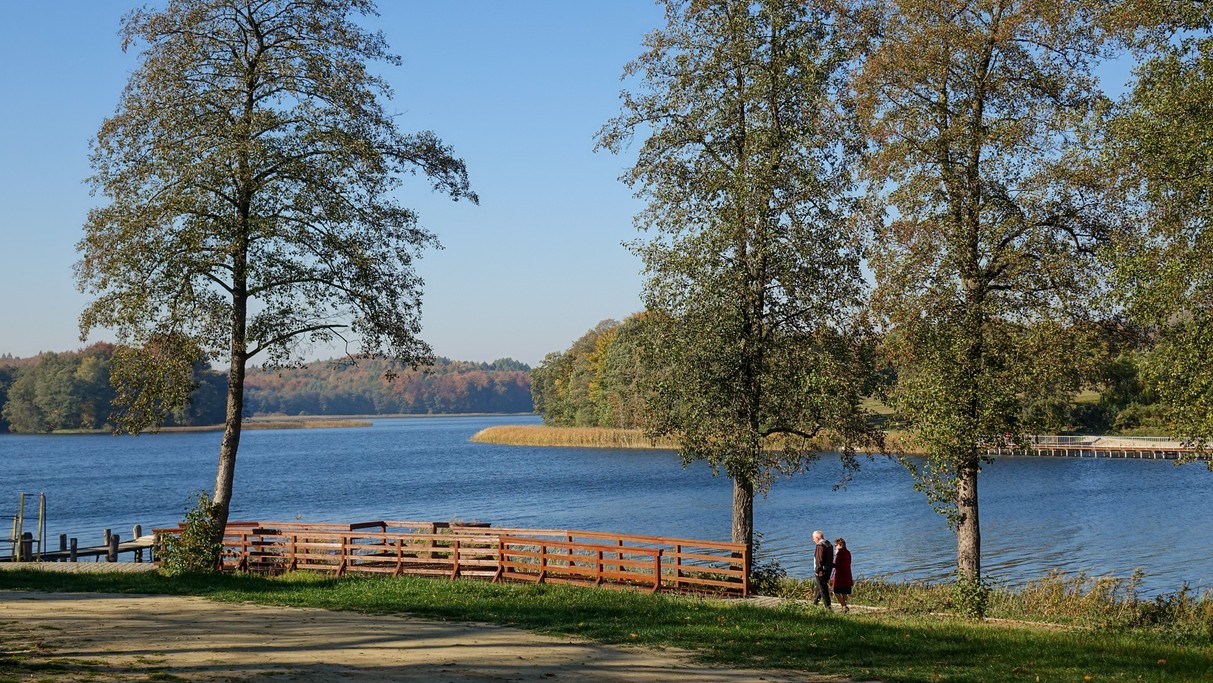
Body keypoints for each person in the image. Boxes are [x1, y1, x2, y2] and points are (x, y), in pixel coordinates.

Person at [811, 530, 834, 608]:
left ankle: (828, 607)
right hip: (828, 569)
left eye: (813, 538)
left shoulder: (820, 546)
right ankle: (814, 604)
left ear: (817, 538)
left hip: (821, 571)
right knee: (819, 587)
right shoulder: (829, 544)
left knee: (823, 589)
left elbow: (819, 559)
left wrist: (818, 570)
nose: (813, 540)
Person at [831, 538, 853, 612]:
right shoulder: (848, 552)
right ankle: (844, 606)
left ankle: (844, 606)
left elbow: (836, 564)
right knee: (844, 592)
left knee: (835, 591)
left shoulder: (839, 553)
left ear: (840, 545)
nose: (835, 547)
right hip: (847, 574)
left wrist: (834, 555)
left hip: (840, 575)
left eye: (836, 545)